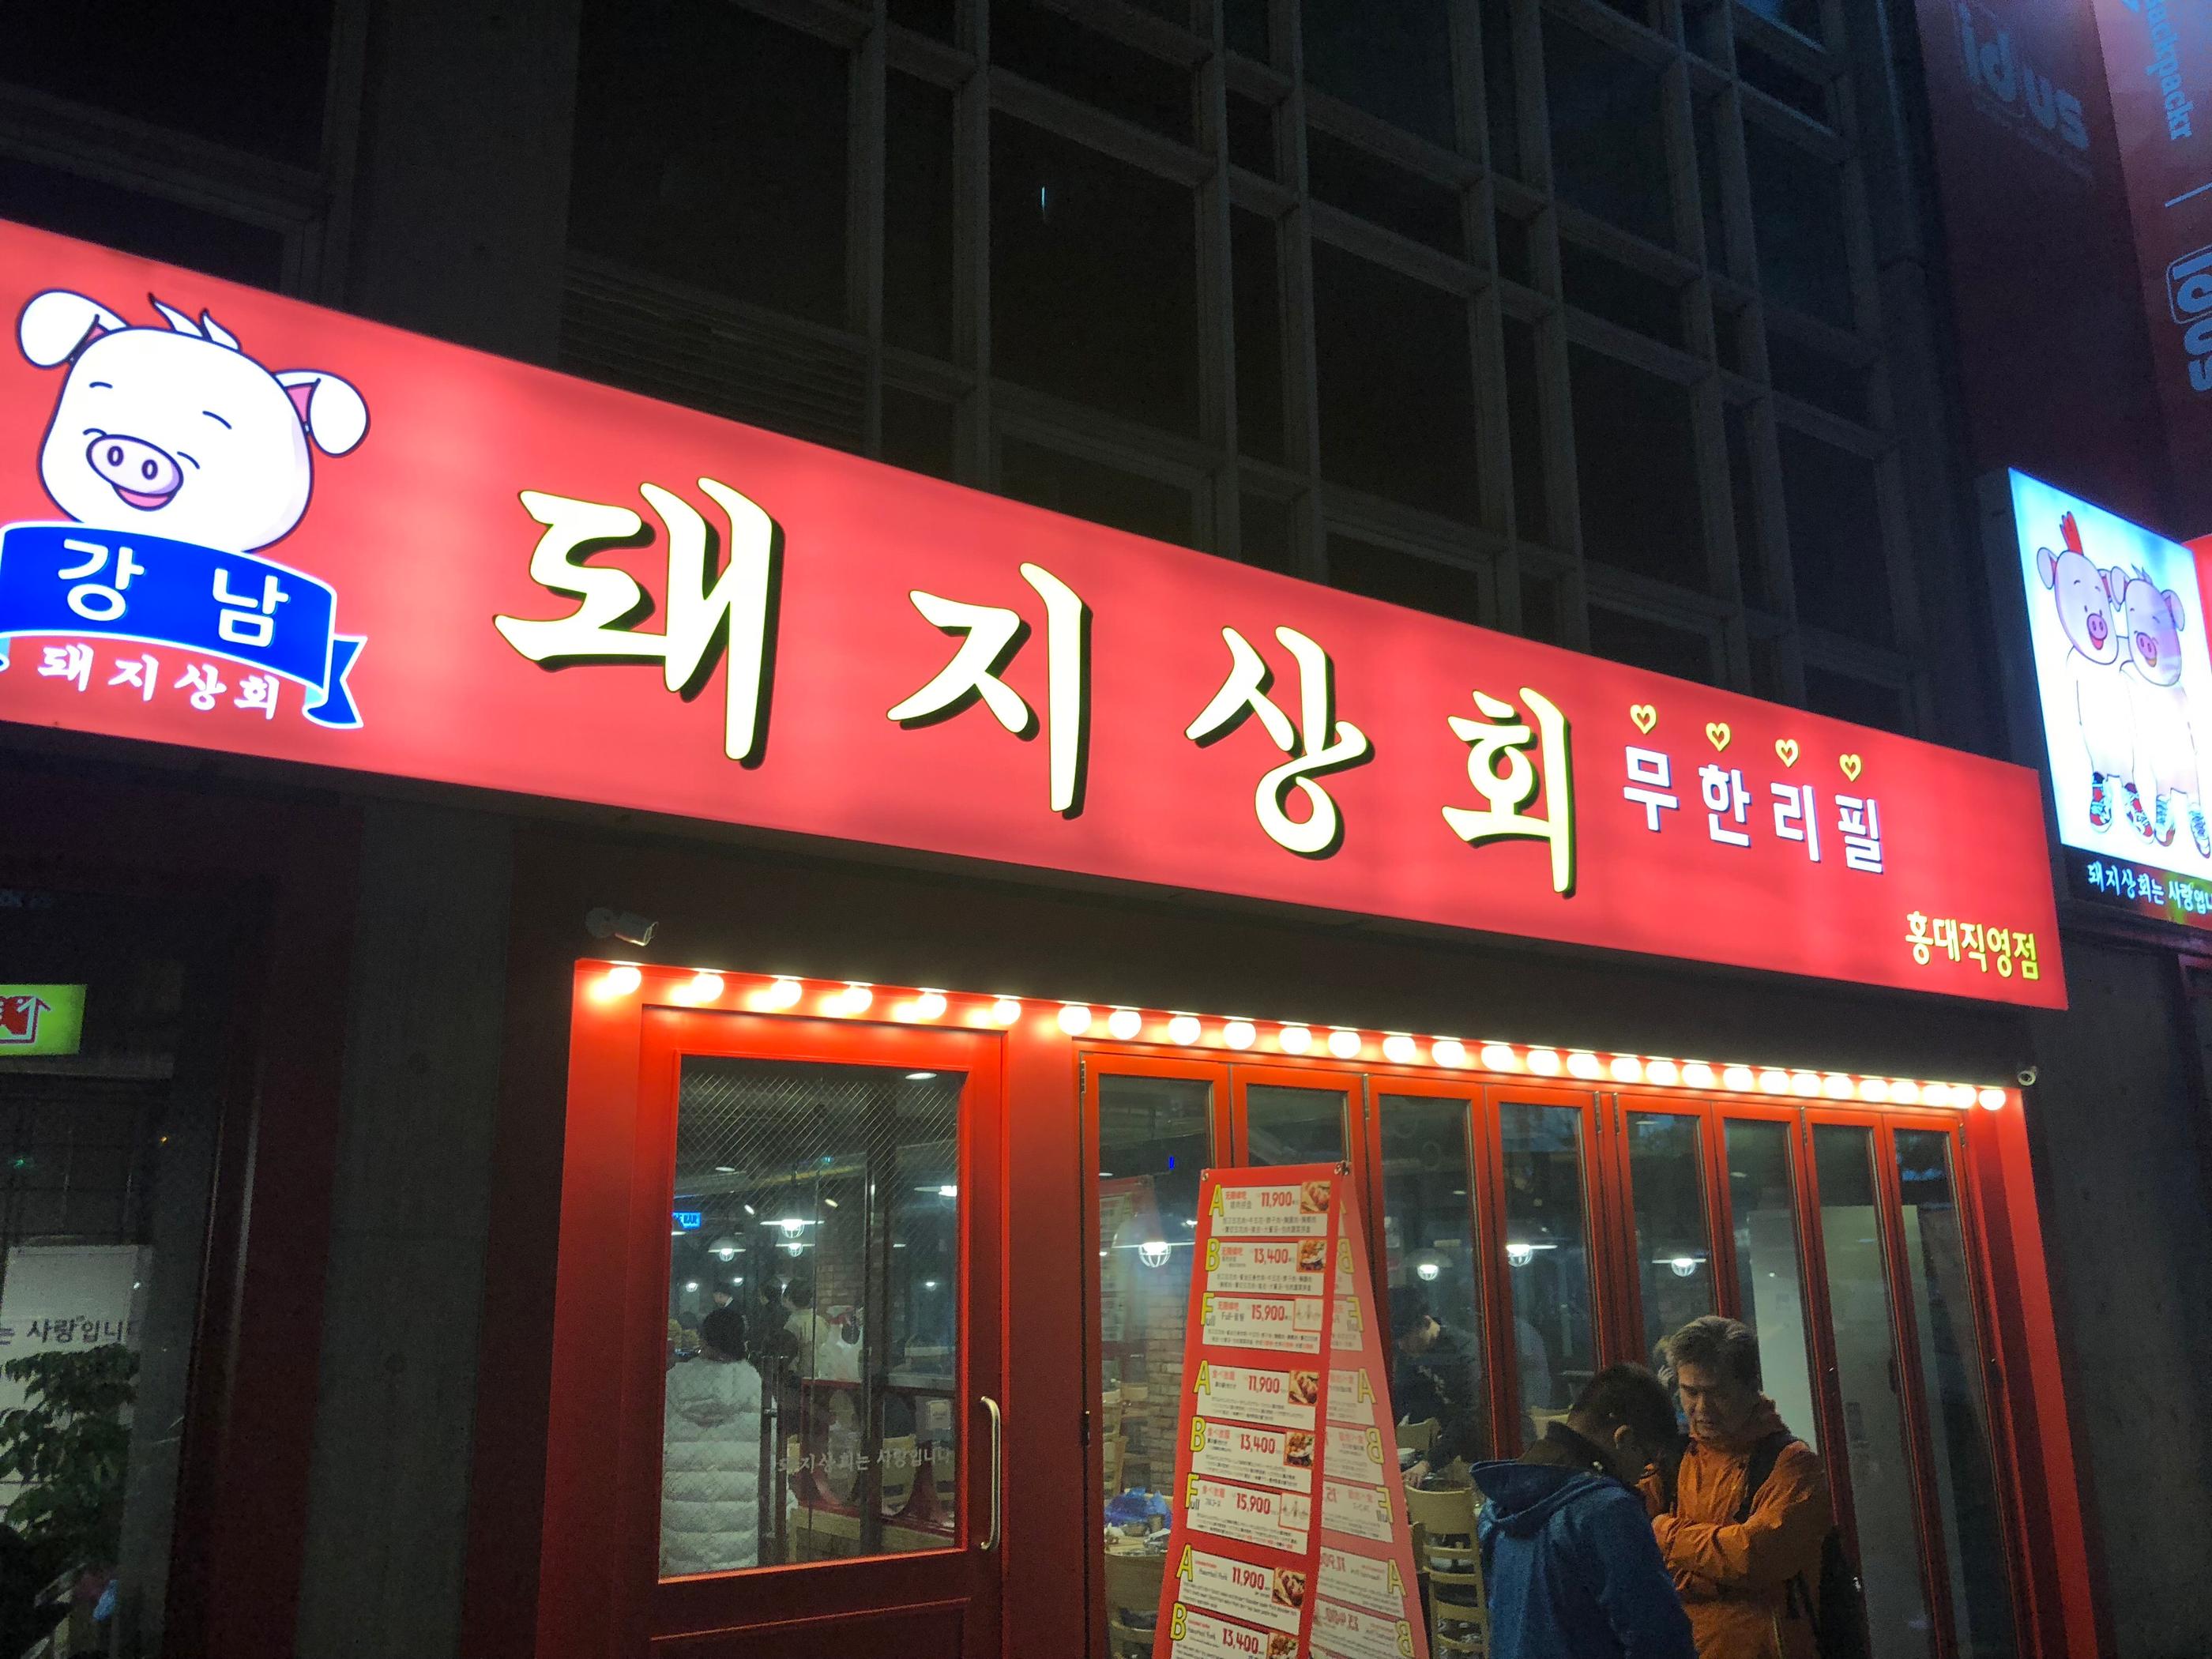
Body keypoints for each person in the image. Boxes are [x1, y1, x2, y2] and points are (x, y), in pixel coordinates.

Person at [1473, 1364, 1697, 1659]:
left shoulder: (1499, 1505)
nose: (1641, 1477)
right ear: (1624, 1439)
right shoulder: (1607, 1511)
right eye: (1646, 1462)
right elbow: (1659, 1638)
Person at [1648, 1316, 1830, 1659]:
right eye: (1690, 1392)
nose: (1702, 1409)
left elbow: (1752, 1558)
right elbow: (1631, 1544)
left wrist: (1664, 1533)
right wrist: (1719, 1567)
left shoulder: (1793, 1465)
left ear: (1752, 1387)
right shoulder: (1671, 1459)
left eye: (1718, 1394)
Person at [661, 1306, 764, 1574]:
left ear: (703, 1339)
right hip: (739, 1527)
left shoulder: (672, 1385)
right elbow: (772, 1460)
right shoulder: (756, 1389)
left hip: (680, 1523)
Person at [1390, 1292, 1483, 1484]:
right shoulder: (1411, 1353)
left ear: (1425, 1323)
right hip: (1456, 1448)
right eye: (1397, 1340)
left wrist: (1428, 1463)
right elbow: (1401, 1399)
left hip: (1494, 1444)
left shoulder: (1464, 1353)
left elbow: (1471, 1415)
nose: (1402, 1345)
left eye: (1406, 1337)